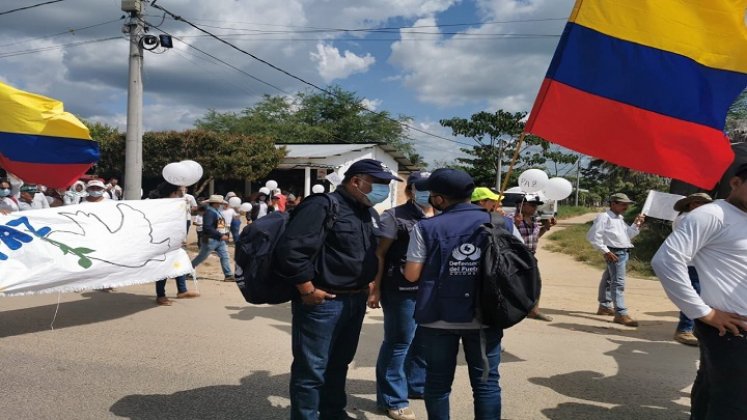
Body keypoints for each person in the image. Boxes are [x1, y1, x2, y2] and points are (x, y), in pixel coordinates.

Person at [274, 158, 402, 420]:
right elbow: (291, 251)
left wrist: (369, 283)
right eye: (380, 184)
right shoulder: (322, 206)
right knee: (312, 370)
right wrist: (308, 290)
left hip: (355, 300)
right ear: (356, 181)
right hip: (323, 302)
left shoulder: (366, 211)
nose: (385, 189)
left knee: (338, 364)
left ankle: (332, 413)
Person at [404, 168, 503, 420]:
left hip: (438, 317)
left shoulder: (426, 227)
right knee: (486, 384)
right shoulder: (500, 223)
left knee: (437, 383)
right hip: (484, 316)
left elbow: (412, 275)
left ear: (439, 199)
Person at [652, 164, 747, 419]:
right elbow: (666, 260)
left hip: (731, 327)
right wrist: (703, 312)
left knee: (712, 389)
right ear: (735, 183)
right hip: (730, 327)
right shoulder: (712, 215)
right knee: (734, 403)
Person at [369, 171, 433, 420]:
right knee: (399, 342)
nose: (427, 192)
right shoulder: (393, 217)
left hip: (429, 290)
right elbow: (380, 254)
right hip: (400, 289)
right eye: (422, 187)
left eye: (432, 187)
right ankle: (391, 399)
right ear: (411, 190)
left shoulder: (441, 214)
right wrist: (375, 288)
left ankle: (416, 386)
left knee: (423, 342)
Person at [586, 193, 645, 327]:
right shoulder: (604, 217)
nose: (626, 207)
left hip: (622, 251)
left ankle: (604, 306)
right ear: (613, 203)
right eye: (623, 204)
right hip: (615, 252)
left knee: (609, 279)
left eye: (627, 204)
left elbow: (627, 235)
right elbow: (594, 236)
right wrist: (606, 251)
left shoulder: (619, 218)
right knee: (618, 282)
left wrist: (636, 225)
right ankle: (620, 313)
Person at [668, 193, 713, 346]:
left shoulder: (686, 218)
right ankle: (684, 329)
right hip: (691, 264)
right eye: (703, 204)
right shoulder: (687, 219)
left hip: (696, 264)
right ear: (693, 204)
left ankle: (691, 328)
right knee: (694, 296)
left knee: (699, 296)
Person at [149, 182, 199, 305]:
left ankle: (182, 290)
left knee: (179, 263)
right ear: (171, 193)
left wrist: (181, 237)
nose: (179, 195)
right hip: (163, 241)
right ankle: (160, 295)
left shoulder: (173, 206)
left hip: (174, 240)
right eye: (177, 192)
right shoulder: (161, 206)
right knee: (164, 267)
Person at [514, 194, 556, 322]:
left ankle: (533, 310)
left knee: (535, 283)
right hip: (515, 256)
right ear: (521, 205)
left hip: (530, 255)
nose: (534, 208)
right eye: (532, 205)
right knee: (513, 283)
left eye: (536, 206)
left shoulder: (535, 220)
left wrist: (546, 228)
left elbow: (535, 237)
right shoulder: (512, 219)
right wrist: (516, 224)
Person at [191, 195, 234, 281]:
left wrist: (223, 234)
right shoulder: (210, 212)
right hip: (211, 239)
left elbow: (219, 226)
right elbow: (207, 227)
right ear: (215, 203)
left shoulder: (215, 211)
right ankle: (186, 271)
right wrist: (221, 235)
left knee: (225, 256)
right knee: (202, 256)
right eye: (219, 203)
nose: (221, 204)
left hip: (217, 239)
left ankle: (228, 275)